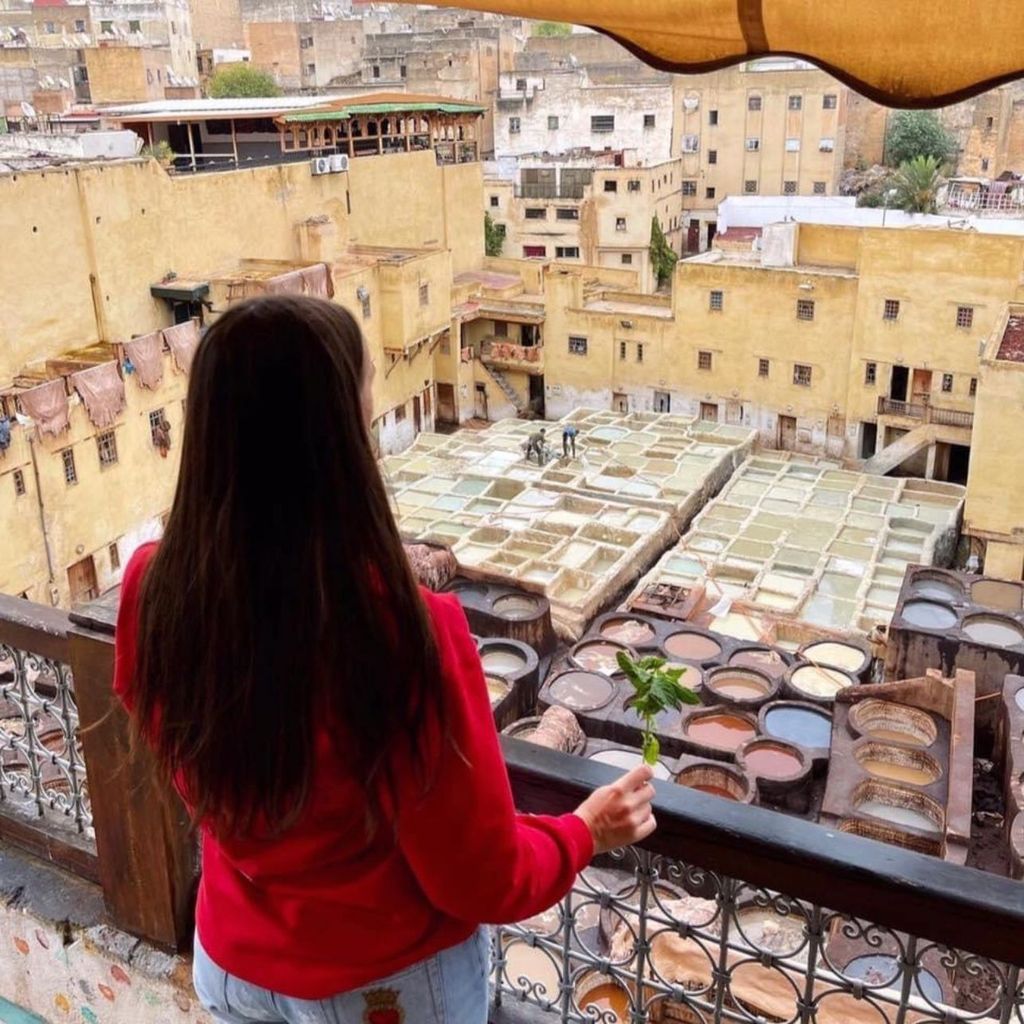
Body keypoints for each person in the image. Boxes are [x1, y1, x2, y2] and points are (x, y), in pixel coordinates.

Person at [113, 296, 657, 1024]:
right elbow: (479, 877)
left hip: (234, 962)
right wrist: (584, 831)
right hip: (383, 990)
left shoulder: (155, 586)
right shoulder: (403, 631)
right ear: (344, 423)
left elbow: (170, 734)